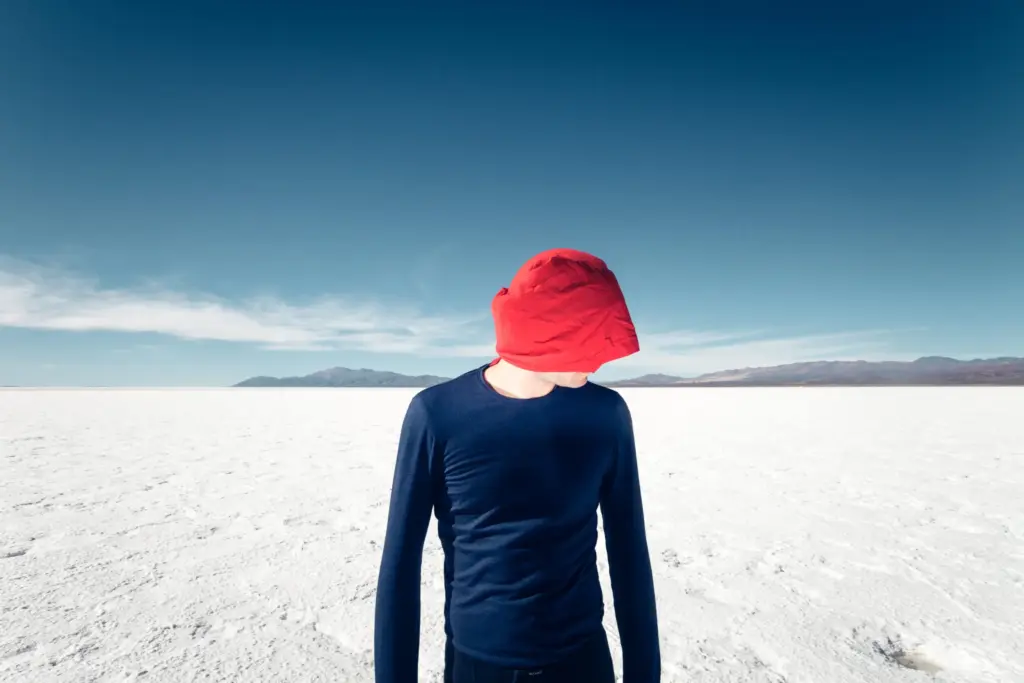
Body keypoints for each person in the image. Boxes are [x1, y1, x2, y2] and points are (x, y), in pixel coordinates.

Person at [374, 248, 660, 683]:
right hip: (478, 666)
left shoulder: (605, 414)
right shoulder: (438, 414)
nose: (601, 357)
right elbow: (399, 564)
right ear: (547, 330)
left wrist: (645, 675)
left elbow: (630, 554)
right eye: (590, 338)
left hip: (584, 661)